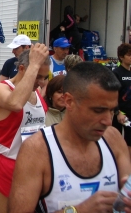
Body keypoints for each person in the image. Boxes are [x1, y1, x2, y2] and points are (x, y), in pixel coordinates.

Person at [7, 62, 131, 213]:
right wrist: (77, 210)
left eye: (112, 111)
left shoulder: (113, 139)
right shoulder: (37, 150)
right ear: (69, 101)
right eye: (98, 110)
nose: (107, 121)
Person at [0, 44, 50, 213]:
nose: (41, 82)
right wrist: (34, 65)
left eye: (44, 77)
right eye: (38, 75)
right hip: (11, 163)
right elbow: (15, 104)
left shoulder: (36, 90)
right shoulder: (1, 88)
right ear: (22, 68)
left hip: (37, 164)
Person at [111, 43, 131, 159]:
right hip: (120, 115)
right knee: (119, 142)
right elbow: (113, 94)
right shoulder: (117, 73)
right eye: (129, 55)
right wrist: (117, 112)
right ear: (121, 57)